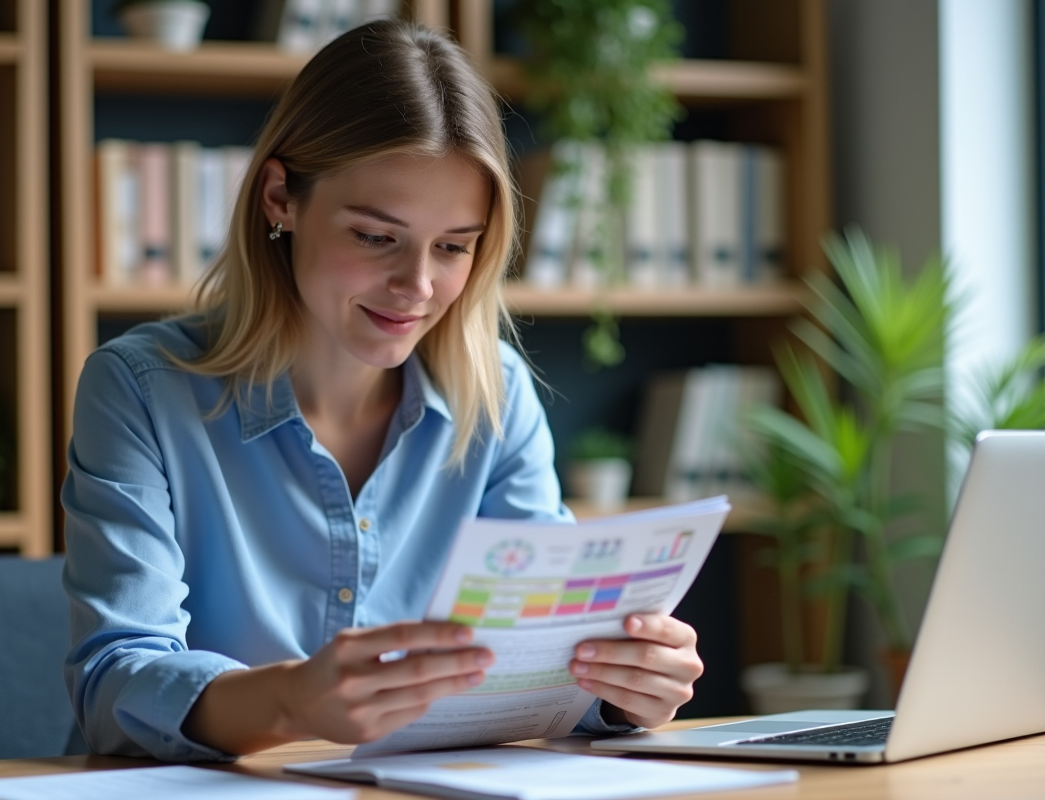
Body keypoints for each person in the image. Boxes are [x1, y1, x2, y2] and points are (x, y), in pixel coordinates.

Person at [62, 19, 703, 762]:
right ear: (280, 198)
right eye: (375, 236)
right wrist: (291, 701)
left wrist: (621, 690)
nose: (418, 286)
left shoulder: (494, 395)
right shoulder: (142, 389)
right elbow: (113, 685)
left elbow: (542, 664)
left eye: (454, 246)